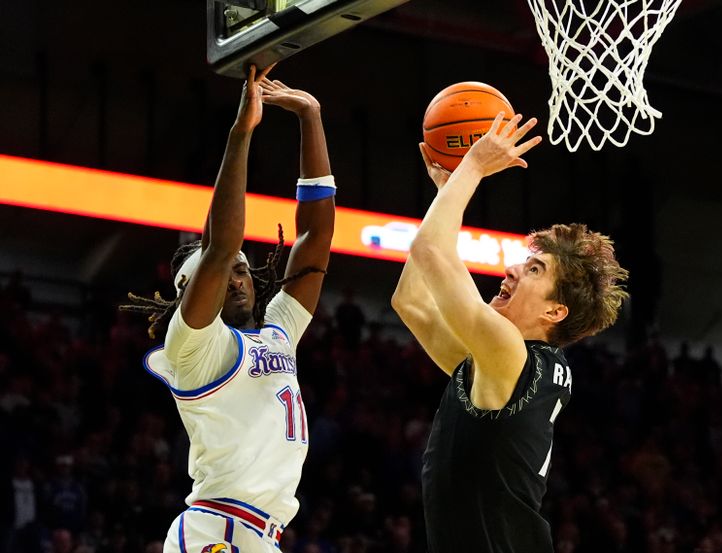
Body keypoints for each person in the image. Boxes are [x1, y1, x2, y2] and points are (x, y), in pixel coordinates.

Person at [120, 64, 335, 553]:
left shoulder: (279, 329)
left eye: (242, 270)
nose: (234, 279)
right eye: (219, 276)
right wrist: (241, 133)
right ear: (190, 292)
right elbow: (219, 246)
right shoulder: (193, 346)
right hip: (217, 530)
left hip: (260, 533)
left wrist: (311, 118)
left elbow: (315, 238)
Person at [392, 112, 629, 553]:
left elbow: (430, 251)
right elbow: (411, 303)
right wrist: (447, 193)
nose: (513, 268)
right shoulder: (500, 367)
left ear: (556, 310)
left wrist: (474, 168)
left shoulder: (508, 354)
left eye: (534, 269)